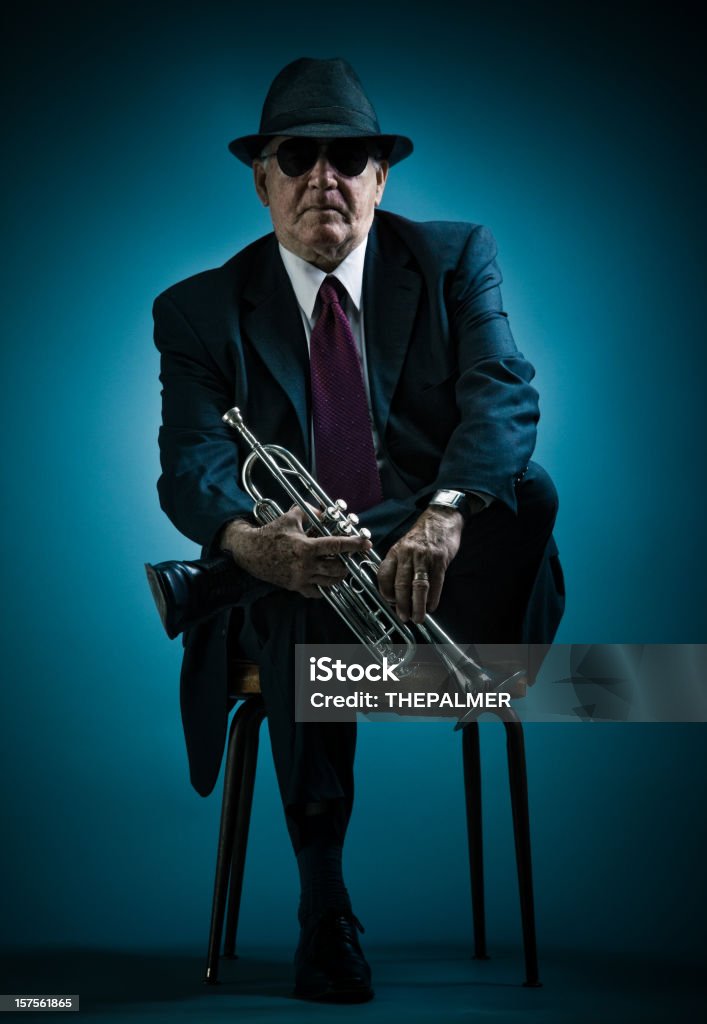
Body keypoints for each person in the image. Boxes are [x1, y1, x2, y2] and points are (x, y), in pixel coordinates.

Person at [151, 56, 565, 1004]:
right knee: (301, 591)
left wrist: (442, 516)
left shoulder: (454, 258)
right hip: (298, 598)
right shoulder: (199, 310)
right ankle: (324, 909)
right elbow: (192, 468)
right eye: (297, 157)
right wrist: (255, 545)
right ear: (262, 179)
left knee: (524, 489)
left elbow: (500, 393)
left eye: (349, 157)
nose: (322, 178)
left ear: (381, 176)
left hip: (452, 579)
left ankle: (239, 578)